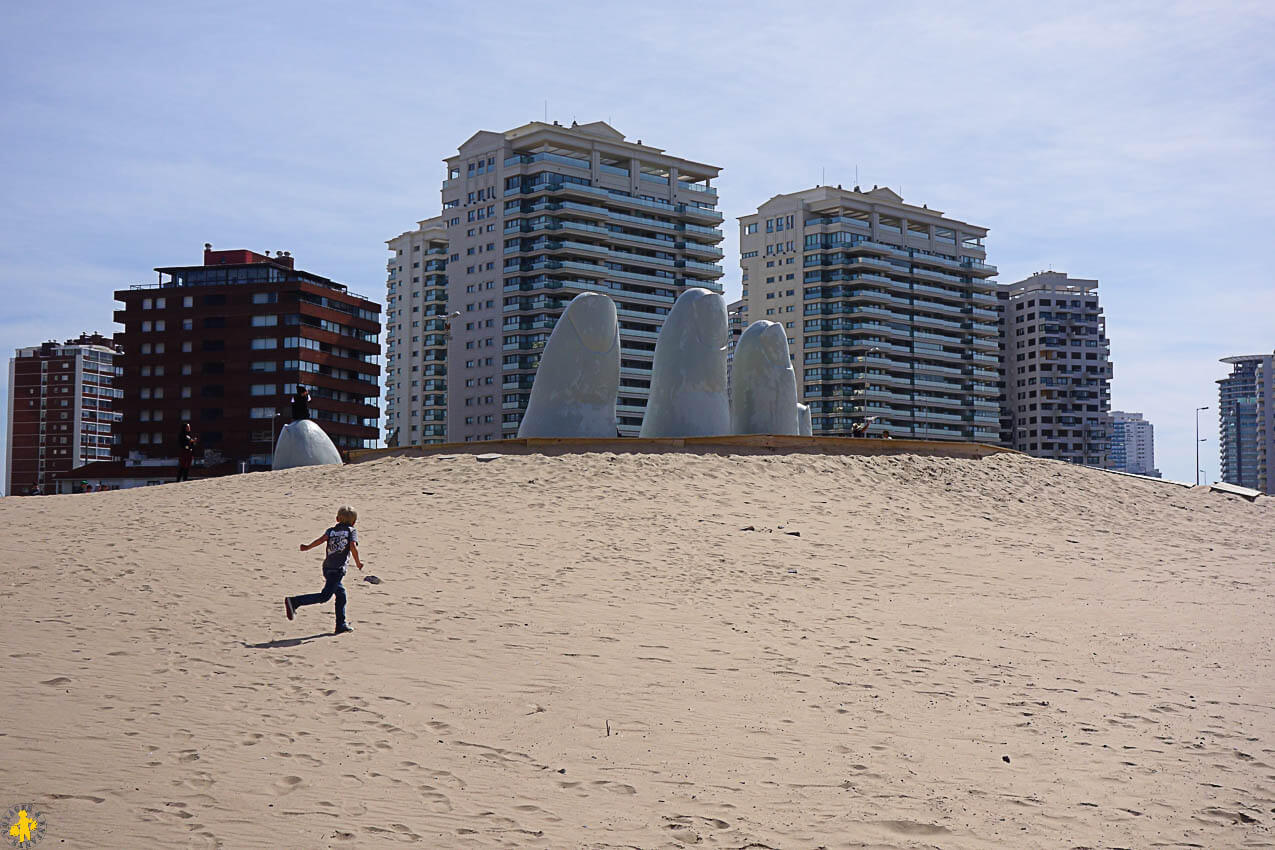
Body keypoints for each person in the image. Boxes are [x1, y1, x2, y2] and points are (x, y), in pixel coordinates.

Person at [285, 506, 363, 635]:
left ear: (337, 519)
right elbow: (353, 547)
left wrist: (307, 547)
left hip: (326, 568)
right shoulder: (351, 531)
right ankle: (295, 601)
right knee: (325, 596)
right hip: (337, 570)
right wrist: (358, 563)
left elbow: (320, 540)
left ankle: (341, 624)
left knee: (341, 594)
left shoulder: (331, 531)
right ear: (354, 522)